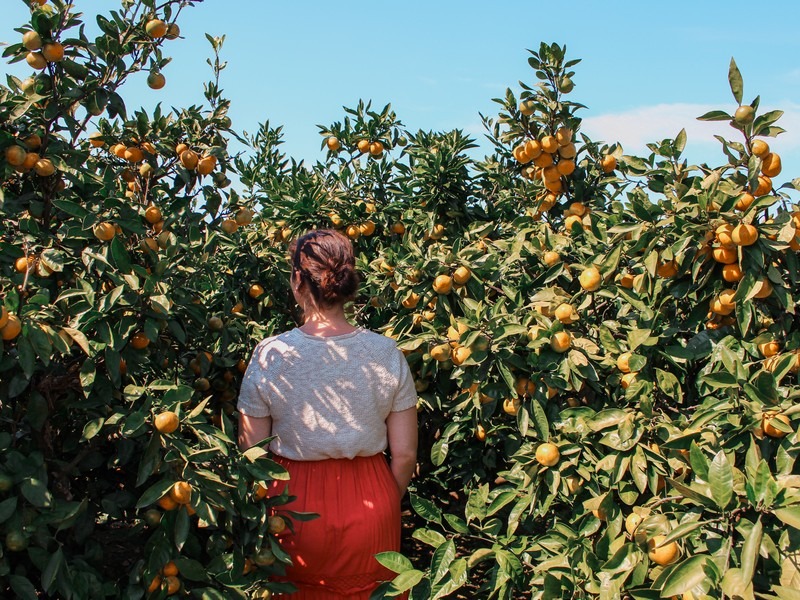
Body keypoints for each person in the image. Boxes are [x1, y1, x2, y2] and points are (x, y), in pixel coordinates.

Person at [238, 228, 418, 599]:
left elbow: (251, 454)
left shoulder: (271, 354)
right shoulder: (385, 352)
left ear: (298, 281)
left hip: (293, 503)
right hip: (372, 501)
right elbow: (405, 456)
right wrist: (383, 498)